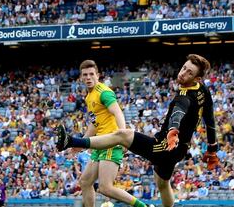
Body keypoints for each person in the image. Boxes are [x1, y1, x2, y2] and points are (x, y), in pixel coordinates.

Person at [56, 54, 219, 207]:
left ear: (197, 78)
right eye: (184, 68)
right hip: (178, 147)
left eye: (189, 72)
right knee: (162, 183)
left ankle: (70, 140)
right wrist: (212, 148)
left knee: (122, 135)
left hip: (166, 145)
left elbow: (178, 112)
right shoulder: (202, 90)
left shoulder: (183, 96)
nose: (183, 73)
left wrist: (173, 131)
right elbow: (209, 119)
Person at [74, 60, 148, 207]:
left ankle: (142, 206)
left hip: (112, 142)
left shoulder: (104, 92)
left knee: (105, 188)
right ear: (81, 78)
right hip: (100, 143)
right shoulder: (89, 96)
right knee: (85, 182)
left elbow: (118, 112)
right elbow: (96, 123)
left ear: (98, 75)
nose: (88, 77)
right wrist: (81, 143)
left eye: (91, 74)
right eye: (85, 75)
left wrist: (123, 135)